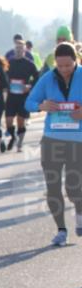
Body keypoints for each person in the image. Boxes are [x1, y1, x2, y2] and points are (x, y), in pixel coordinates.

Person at [25, 43, 82, 246]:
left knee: (74, 187)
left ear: (76, 61)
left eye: (68, 65)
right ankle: (61, 230)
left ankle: (80, 213)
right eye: (60, 65)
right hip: (52, 139)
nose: (64, 69)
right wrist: (41, 106)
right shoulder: (48, 78)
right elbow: (29, 102)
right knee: (53, 187)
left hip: (77, 141)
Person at [4, 38, 41, 153]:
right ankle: (13, 136)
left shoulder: (29, 64)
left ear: (24, 50)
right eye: (17, 48)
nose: (18, 50)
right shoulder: (9, 63)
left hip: (23, 96)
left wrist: (29, 86)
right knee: (8, 121)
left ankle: (20, 142)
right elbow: (2, 76)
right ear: (14, 49)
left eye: (21, 48)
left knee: (20, 121)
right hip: (11, 96)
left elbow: (37, 77)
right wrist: (5, 86)